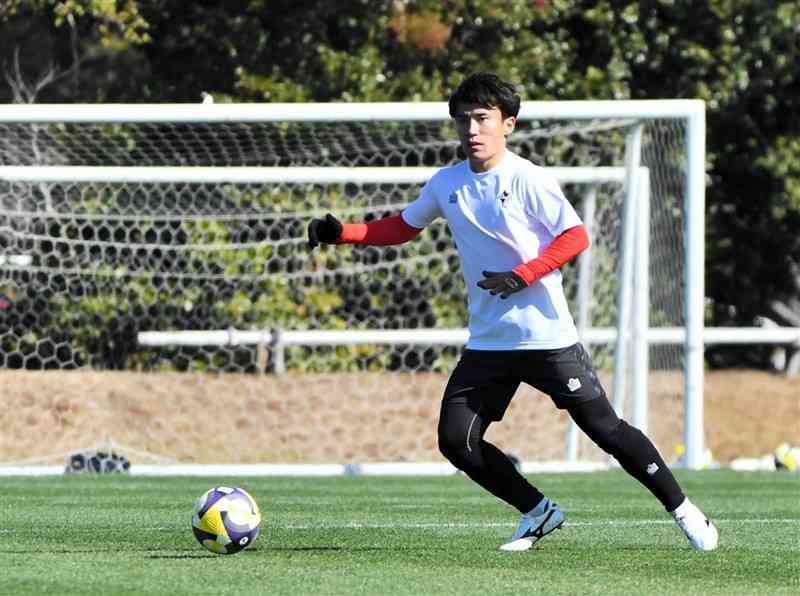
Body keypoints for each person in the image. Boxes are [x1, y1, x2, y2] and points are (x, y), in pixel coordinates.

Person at [307, 72, 718, 552]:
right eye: (464, 120)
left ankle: (683, 509)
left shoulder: (528, 178)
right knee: (455, 441)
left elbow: (575, 236)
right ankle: (539, 512)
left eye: (483, 119)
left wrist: (523, 275)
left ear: (509, 124)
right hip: (489, 343)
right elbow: (402, 227)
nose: (472, 130)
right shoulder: (447, 183)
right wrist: (343, 234)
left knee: (606, 431)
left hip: (547, 339)